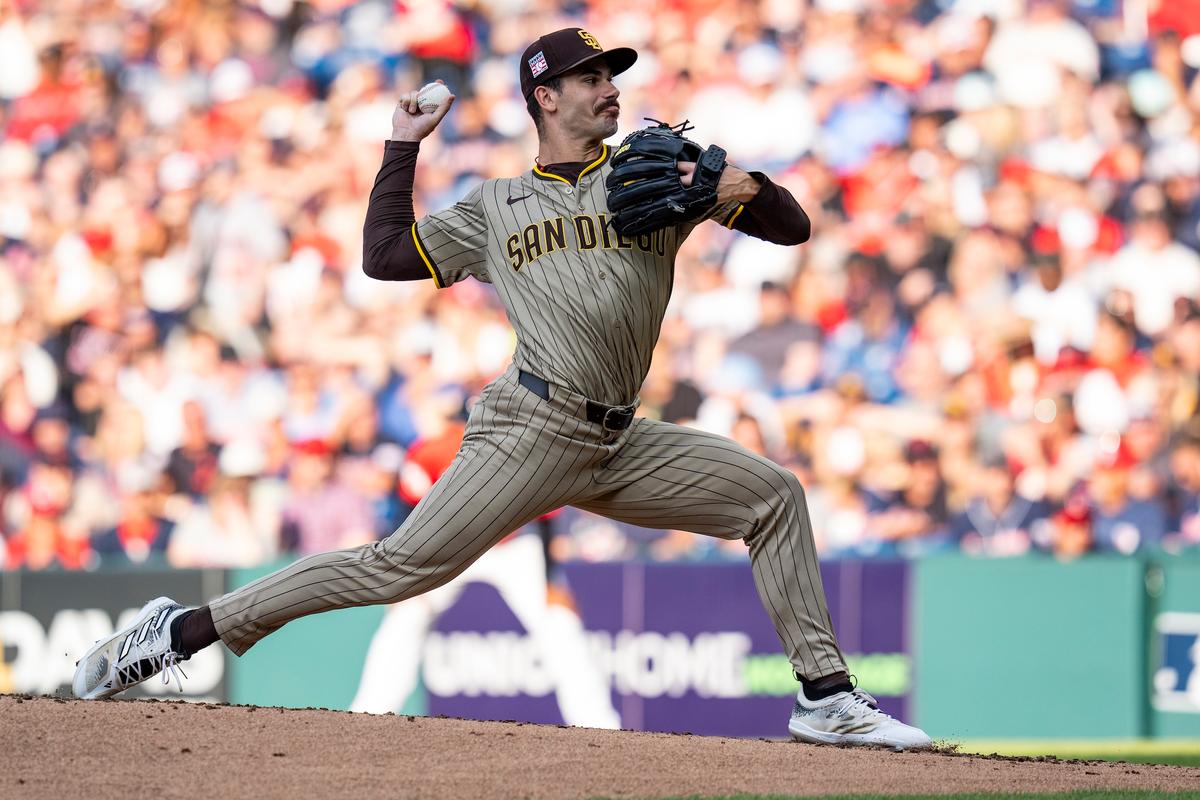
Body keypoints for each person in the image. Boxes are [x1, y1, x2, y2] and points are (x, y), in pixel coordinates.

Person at [72, 28, 930, 750]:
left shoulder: (656, 174)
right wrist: (402, 146)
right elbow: (384, 257)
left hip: (620, 440)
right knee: (396, 569)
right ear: (545, 98)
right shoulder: (496, 205)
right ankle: (177, 631)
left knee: (773, 496)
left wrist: (745, 187)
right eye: (589, 78)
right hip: (530, 428)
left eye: (612, 76)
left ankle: (826, 699)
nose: (610, 89)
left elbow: (794, 228)